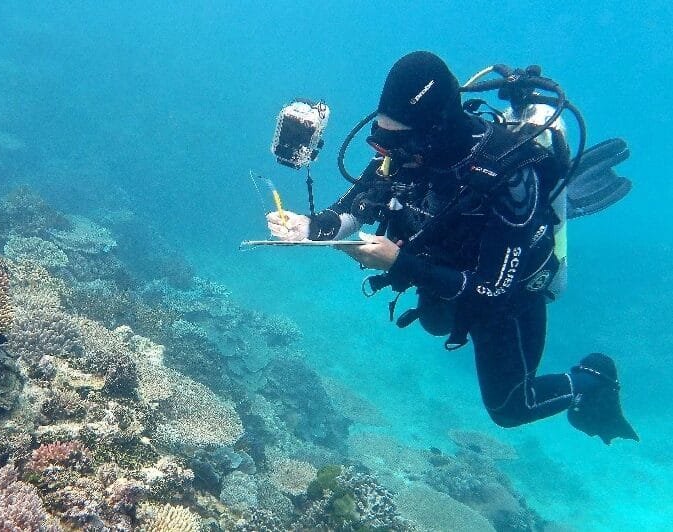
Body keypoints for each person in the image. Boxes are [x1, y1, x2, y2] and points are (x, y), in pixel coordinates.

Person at [266, 51, 638, 444]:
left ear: (435, 129)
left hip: (510, 291)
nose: (387, 157)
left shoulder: (509, 177)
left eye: (398, 143)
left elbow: (491, 292)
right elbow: (357, 204)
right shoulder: (404, 152)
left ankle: (592, 380)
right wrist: (312, 227)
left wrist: (399, 262)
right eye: (382, 143)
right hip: (445, 270)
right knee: (435, 320)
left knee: (512, 408)